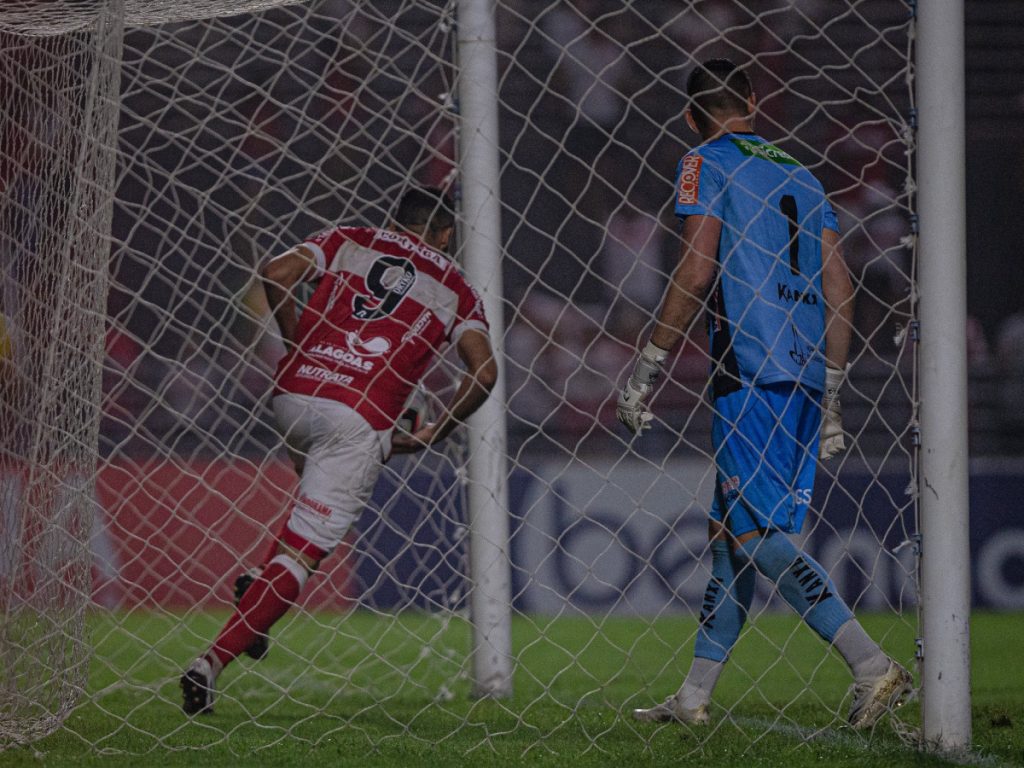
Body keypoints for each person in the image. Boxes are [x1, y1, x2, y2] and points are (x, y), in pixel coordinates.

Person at [617, 59, 912, 730]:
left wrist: (648, 365)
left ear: (690, 116)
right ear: (753, 101)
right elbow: (840, 287)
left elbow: (696, 270)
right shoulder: (803, 175)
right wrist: (832, 390)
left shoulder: (703, 161)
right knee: (729, 538)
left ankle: (870, 663)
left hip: (750, 367)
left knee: (755, 537)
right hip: (806, 371)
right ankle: (693, 695)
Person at [181, 187, 497, 715]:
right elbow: (483, 373)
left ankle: (258, 598)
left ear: (395, 222)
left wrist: (296, 344)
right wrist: (436, 431)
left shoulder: (349, 239)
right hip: (357, 414)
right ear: (445, 236)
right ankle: (209, 664)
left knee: (302, 517)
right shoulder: (456, 285)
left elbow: (275, 274)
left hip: (293, 394)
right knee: (302, 554)